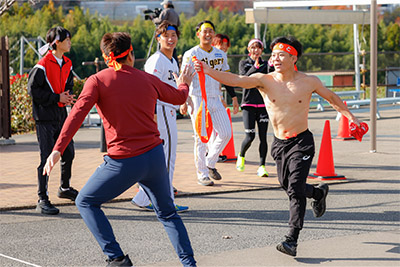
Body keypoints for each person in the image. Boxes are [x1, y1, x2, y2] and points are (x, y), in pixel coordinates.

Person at [194, 35, 363, 257]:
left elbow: (332, 97)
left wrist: (350, 117)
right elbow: (235, 79)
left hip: (301, 142)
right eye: (273, 54)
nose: (275, 58)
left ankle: (291, 239)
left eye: (281, 54)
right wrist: (207, 70)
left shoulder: (308, 81)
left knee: (294, 188)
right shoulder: (265, 80)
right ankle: (317, 193)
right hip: (279, 144)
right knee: (288, 185)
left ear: (294, 58)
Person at [43, 32, 196, 266]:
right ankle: (189, 263)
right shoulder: (147, 79)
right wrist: (184, 82)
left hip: (124, 161)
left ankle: (116, 258)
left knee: (85, 201)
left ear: (106, 58)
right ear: (131, 54)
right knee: (168, 214)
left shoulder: (97, 80)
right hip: (154, 157)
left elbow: (76, 115)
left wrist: (57, 149)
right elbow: (178, 97)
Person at [131, 22, 189, 213]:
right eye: (166, 35)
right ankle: (166, 201)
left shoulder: (171, 60)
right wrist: (152, 114)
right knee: (168, 157)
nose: (170, 39)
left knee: (161, 158)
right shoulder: (157, 60)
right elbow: (148, 89)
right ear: (158, 38)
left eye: (173, 35)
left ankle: (143, 197)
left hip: (168, 109)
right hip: (162, 110)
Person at [27, 26, 78, 215]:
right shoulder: (42, 65)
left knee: (69, 152)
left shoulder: (67, 63)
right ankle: (42, 198)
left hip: (61, 116)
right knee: (46, 158)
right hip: (44, 119)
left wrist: (68, 95)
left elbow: (69, 84)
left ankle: (64, 188)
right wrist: (57, 98)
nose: (70, 42)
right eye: (67, 39)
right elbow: (33, 91)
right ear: (57, 42)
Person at [180, 20, 231, 186]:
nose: (208, 34)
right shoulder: (191, 53)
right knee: (201, 138)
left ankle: (210, 162)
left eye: (211, 31)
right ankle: (202, 173)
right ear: (198, 34)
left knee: (225, 133)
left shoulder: (220, 54)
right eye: (204, 31)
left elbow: (225, 77)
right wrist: (184, 100)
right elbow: (183, 79)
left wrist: (228, 98)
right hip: (198, 99)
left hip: (216, 97)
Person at [236, 38, 273, 177]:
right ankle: (241, 155)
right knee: (250, 136)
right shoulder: (243, 63)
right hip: (248, 105)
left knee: (263, 137)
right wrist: (255, 68)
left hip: (263, 105)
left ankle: (262, 166)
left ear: (262, 50)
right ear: (248, 49)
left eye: (258, 48)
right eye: (253, 47)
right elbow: (244, 78)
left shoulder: (265, 64)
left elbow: (271, 75)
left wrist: (270, 65)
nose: (255, 50)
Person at [211, 34, 239, 115]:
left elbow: (226, 79)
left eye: (226, 45)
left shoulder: (223, 58)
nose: (224, 47)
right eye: (221, 44)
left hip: (216, 95)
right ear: (213, 44)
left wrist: (234, 98)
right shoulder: (205, 56)